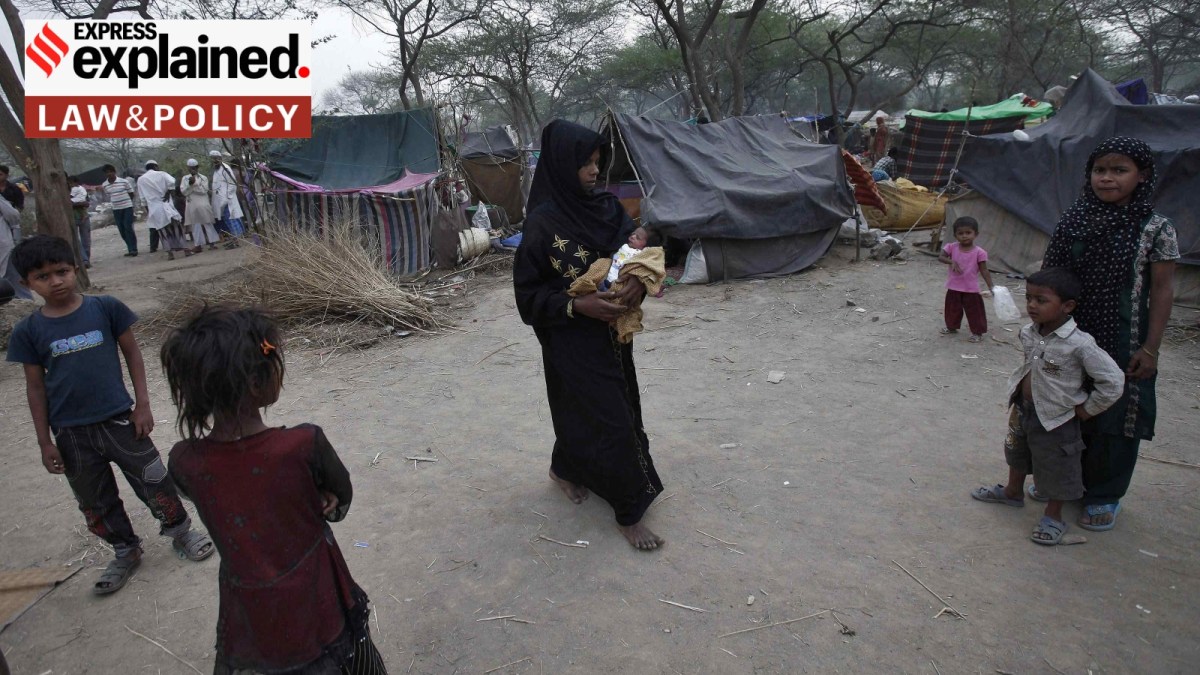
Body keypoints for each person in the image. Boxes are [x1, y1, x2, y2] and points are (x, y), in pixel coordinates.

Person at [161, 306, 387, 674]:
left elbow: (221, 493)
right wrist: (318, 499)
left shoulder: (185, 461)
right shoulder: (302, 445)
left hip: (251, 613)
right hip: (318, 598)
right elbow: (340, 496)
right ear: (255, 382)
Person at [4, 235, 214, 595]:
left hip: (120, 421)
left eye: (62, 271)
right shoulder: (29, 332)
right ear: (25, 284)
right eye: (42, 277)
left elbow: (133, 354)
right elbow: (35, 388)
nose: (55, 281)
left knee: (154, 480)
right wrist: (44, 442)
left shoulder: (105, 308)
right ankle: (124, 550)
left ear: (76, 270)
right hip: (70, 433)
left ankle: (181, 533)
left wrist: (142, 405)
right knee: (94, 498)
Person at [513, 119, 665, 551]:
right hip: (570, 338)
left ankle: (565, 468)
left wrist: (636, 281)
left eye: (598, 162)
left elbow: (632, 252)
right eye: (585, 163)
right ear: (563, 164)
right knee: (609, 417)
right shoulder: (542, 225)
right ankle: (628, 509)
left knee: (605, 408)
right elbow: (528, 298)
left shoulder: (606, 208)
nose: (595, 171)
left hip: (614, 336)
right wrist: (578, 304)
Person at [1037, 137, 1179, 532]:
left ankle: (1104, 493)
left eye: (1120, 170)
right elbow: (1052, 275)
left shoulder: (1156, 229)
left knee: (1116, 411)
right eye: (1100, 170)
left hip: (1124, 334)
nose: (1107, 178)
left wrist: (1150, 348)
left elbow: (1163, 289)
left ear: (1142, 175)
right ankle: (1062, 481)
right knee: (1064, 404)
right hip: (1072, 330)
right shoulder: (1074, 219)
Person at [971, 268, 1124, 545]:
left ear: (1067, 306)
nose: (1031, 305)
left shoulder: (1080, 344)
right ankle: (1013, 492)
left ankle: (1054, 517)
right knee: (1016, 451)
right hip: (1024, 408)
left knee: (1057, 466)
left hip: (1056, 417)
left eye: (1041, 300)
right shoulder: (1029, 332)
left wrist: (1087, 410)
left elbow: (1112, 381)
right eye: (1029, 298)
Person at [939, 217, 996, 342]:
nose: (964, 236)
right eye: (960, 233)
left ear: (976, 234)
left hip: (971, 288)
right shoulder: (951, 247)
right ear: (955, 235)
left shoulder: (979, 252)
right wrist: (951, 261)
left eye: (968, 233)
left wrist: (991, 286)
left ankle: (977, 332)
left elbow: (984, 270)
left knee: (975, 311)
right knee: (952, 309)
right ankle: (951, 327)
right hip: (954, 286)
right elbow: (941, 257)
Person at [137, 160, 190, 259]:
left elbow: (143, 199)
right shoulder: (162, 174)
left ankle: (170, 254)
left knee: (163, 232)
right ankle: (186, 250)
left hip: (154, 208)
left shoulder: (141, 179)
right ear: (155, 166)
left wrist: (148, 211)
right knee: (177, 228)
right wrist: (169, 192)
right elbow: (172, 181)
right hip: (167, 205)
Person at [181, 159, 220, 251]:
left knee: (207, 222)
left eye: (194, 168)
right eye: (191, 168)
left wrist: (194, 184)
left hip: (202, 202)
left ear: (197, 167)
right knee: (195, 224)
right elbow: (184, 192)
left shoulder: (203, 178)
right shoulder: (185, 178)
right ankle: (198, 245)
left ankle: (212, 243)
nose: (192, 170)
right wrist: (190, 184)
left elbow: (203, 191)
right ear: (188, 168)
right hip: (192, 204)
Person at [210, 150, 245, 248]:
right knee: (227, 221)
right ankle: (233, 240)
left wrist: (227, 197)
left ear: (220, 158)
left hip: (228, 200)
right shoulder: (216, 170)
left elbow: (232, 184)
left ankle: (236, 242)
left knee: (232, 220)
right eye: (213, 159)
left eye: (216, 158)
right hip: (221, 201)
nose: (215, 160)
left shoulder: (225, 168)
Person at [102, 165, 138, 256]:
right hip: (116, 209)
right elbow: (108, 196)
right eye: (107, 172)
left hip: (127, 207)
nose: (109, 174)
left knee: (128, 227)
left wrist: (128, 203)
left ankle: (133, 249)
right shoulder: (105, 185)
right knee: (121, 229)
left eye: (110, 171)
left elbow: (131, 194)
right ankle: (130, 248)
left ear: (114, 172)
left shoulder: (124, 181)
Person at [68, 176, 92, 268]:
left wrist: (74, 204)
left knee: (85, 240)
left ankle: (86, 259)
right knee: (77, 240)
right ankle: (84, 259)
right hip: (75, 217)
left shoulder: (75, 190)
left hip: (82, 216)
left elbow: (86, 203)